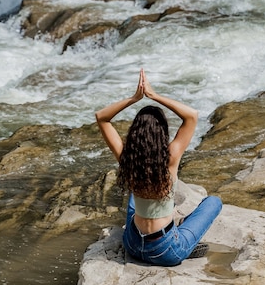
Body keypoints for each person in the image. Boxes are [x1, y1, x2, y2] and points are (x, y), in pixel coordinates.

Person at [95, 69, 222, 266]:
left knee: (133, 198)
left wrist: (134, 98)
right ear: (162, 132)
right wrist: (154, 95)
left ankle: (180, 236)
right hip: (166, 250)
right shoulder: (170, 158)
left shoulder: (128, 160)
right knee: (213, 202)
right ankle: (185, 242)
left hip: (133, 244)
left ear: (135, 133)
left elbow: (101, 117)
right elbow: (191, 116)